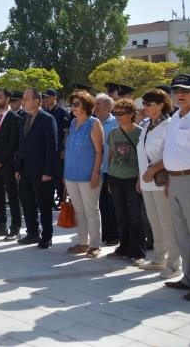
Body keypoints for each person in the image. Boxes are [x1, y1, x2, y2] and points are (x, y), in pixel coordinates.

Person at [136, 89, 181, 279]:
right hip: (146, 182)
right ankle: (159, 259)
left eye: (149, 104)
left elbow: (171, 154)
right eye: (144, 103)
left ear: (161, 105)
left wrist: (153, 170)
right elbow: (142, 154)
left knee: (167, 225)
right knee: (154, 223)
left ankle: (174, 265)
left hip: (162, 182)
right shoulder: (147, 124)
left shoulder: (170, 126)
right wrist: (140, 177)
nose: (144, 107)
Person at [162, 73, 190, 300]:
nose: (180, 95)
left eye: (185, 91)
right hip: (175, 180)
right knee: (182, 233)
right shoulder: (175, 117)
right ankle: (189, 278)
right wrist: (169, 179)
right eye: (176, 91)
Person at [15, 89, 58, 248]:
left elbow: (51, 147)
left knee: (44, 204)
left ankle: (47, 236)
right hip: (25, 170)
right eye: (23, 99)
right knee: (27, 202)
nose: (23, 101)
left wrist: (48, 172)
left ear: (37, 101)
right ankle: (32, 232)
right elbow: (21, 145)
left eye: (26, 99)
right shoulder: (24, 118)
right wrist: (18, 167)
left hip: (41, 171)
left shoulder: (47, 119)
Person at [64, 90, 105, 258]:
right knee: (78, 211)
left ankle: (95, 245)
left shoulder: (94, 123)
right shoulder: (73, 123)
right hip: (71, 174)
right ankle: (82, 242)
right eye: (71, 104)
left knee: (91, 210)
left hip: (89, 175)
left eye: (76, 104)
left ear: (86, 106)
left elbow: (99, 151)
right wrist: (64, 174)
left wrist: (95, 173)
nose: (72, 107)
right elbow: (69, 150)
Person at [105, 98, 145, 265]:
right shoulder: (113, 133)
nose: (118, 116)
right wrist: (108, 178)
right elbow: (111, 155)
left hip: (133, 179)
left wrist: (140, 180)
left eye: (122, 113)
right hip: (116, 178)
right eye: (116, 113)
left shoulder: (140, 132)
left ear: (131, 114)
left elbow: (144, 158)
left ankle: (138, 252)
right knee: (120, 214)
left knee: (135, 216)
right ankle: (123, 247)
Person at [0, 89, 21, 240]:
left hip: (8, 164)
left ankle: (15, 228)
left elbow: (13, 143)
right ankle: (1, 225)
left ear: (8, 99)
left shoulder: (15, 118)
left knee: (12, 197)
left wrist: (0, 162)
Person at [95, 93, 120, 246]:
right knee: (101, 203)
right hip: (98, 169)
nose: (95, 107)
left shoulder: (115, 123)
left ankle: (114, 235)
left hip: (112, 169)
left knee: (112, 203)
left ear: (108, 107)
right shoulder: (94, 122)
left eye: (98, 104)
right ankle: (105, 233)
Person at [43, 88, 71, 209]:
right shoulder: (43, 112)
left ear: (54, 97)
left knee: (59, 175)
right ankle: (49, 200)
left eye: (48, 97)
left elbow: (67, 132)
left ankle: (61, 199)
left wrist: (65, 148)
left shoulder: (62, 112)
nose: (45, 99)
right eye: (44, 97)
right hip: (45, 149)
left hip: (58, 148)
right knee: (48, 174)